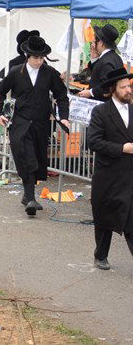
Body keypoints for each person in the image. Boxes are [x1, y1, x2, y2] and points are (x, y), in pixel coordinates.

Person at [0, 35, 71, 216]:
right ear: (28, 55)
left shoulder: (49, 73)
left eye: (42, 58)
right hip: (20, 123)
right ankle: (31, 198)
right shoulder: (15, 72)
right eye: (36, 57)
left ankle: (27, 196)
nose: (39, 61)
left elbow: (62, 95)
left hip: (41, 124)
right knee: (27, 158)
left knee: (36, 158)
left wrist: (64, 117)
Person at [87, 68, 133, 271]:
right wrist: (121, 148)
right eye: (123, 87)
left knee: (131, 220)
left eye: (129, 86)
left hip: (129, 175)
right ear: (113, 89)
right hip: (108, 175)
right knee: (105, 218)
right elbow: (93, 142)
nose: (128, 90)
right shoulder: (101, 112)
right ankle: (101, 255)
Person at [79, 24, 124, 100]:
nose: (92, 45)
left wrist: (90, 92)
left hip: (103, 105)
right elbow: (98, 74)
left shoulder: (107, 61)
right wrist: (94, 58)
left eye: (94, 42)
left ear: (101, 43)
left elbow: (107, 87)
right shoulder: (115, 57)